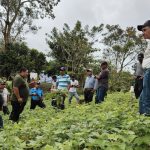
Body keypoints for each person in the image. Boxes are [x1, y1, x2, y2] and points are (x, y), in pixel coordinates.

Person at [137, 20, 150, 116]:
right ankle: (142, 120)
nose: (143, 33)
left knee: (147, 97)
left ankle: (147, 119)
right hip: (146, 72)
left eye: (145, 30)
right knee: (142, 98)